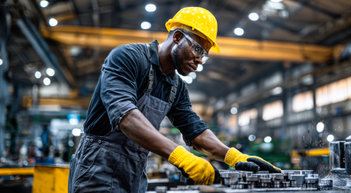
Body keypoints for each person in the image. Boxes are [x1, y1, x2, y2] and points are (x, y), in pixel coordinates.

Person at [68, 7, 280, 193]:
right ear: (177, 36)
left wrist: (233, 157)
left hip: (134, 172)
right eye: (197, 49)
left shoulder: (176, 87)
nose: (199, 59)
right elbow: (126, 117)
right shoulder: (128, 58)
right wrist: (182, 157)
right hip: (97, 169)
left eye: (204, 54)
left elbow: (195, 132)